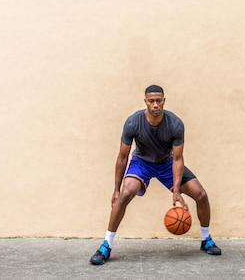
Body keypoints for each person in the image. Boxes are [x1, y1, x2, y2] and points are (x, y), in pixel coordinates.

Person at [90, 85, 222, 265]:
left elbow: (177, 159)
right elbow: (122, 157)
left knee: (201, 195)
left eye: (158, 101)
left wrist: (176, 190)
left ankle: (206, 240)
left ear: (164, 101)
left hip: (166, 163)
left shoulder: (175, 124)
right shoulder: (133, 122)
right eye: (151, 101)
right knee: (125, 194)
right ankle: (106, 246)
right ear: (145, 102)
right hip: (141, 163)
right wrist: (115, 189)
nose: (155, 105)